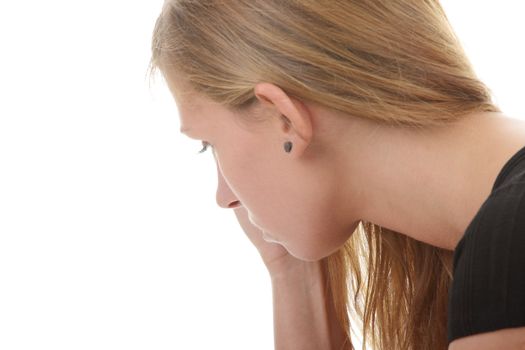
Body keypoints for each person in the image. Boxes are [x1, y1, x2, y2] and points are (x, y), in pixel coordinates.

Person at [149, 1, 525, 349]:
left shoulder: (508, 243)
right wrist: (293, 272)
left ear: (285, 120)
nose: (224, 197)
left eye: (209, 143)